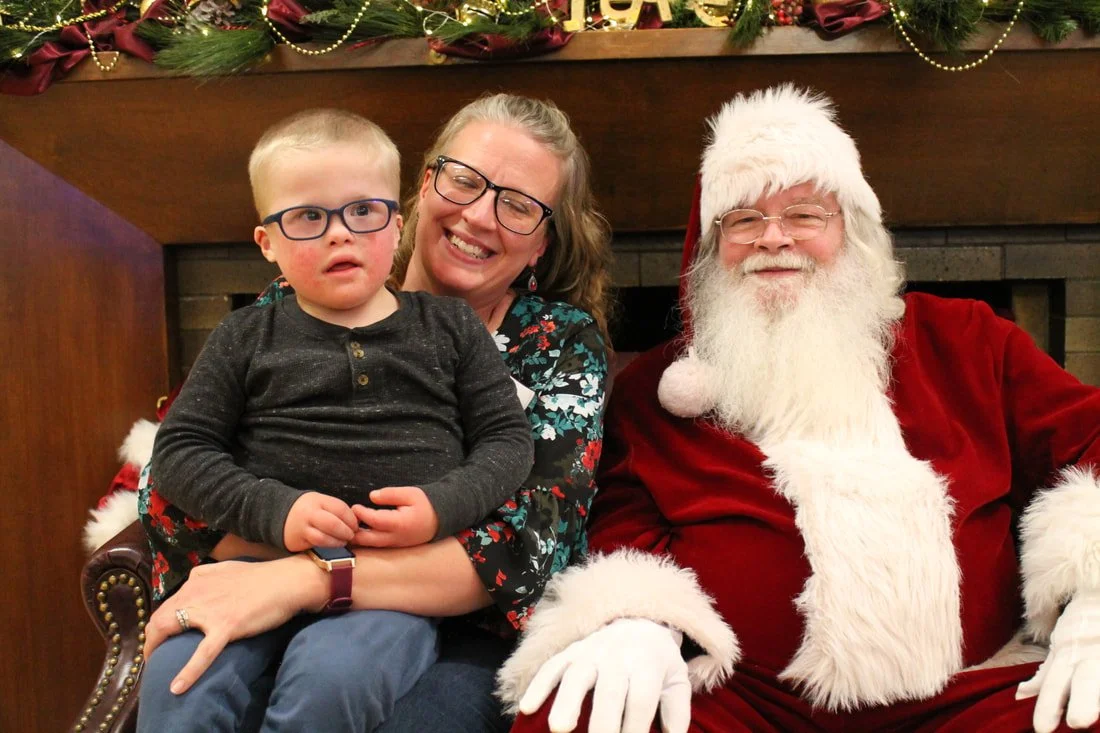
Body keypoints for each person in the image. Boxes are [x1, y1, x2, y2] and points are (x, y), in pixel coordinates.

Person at [499, 85, 1100, 733]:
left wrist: (1091, 600)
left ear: (852, 232)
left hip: (971, 695)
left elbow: (1089, 437)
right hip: (747, 700)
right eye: (744, 219)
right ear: (711, 246)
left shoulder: (968, 341)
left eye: (806, 214)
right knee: (579, 714)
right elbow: (621, 518)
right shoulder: (658, 389)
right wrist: (636, 617)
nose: (773, 238)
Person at [139, 93, 613, 733]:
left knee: (365, 699)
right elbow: (170, 487)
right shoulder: (295, 300)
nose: (478, 216)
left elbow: (532, 545)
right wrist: (279, 532)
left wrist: (307, 580)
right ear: (423, 187)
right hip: (265, 567)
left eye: (519, 206)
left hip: (460, 630)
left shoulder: (557, 342)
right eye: (465, 181)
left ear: (542, 243)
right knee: (185, 682)